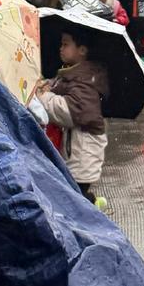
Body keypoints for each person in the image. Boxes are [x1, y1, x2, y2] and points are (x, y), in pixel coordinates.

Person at [35, 26, 109, 199]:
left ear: (82, 50)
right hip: (73, 153)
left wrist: (43, 96)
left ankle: (92, 207)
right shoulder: (71, 73)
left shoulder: (86, 81)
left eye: (66, 44)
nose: (61, 48)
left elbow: (70, 111)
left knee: (75, 198)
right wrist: (48, 85)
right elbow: (60, 86)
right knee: (73, 197)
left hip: (81, 156)